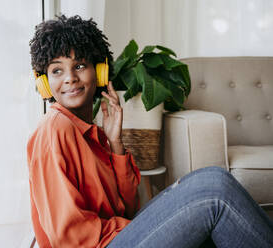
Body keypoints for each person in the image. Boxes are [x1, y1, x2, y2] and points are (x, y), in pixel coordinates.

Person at [27, 15, 273, 248]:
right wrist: (140, 225)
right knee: (214, 190)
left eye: (80, 65)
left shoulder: (95, 134)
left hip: (118, 237)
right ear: (44, 82)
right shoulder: (54, 129)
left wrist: (115, 144)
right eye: (57, 70)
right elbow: (69, 237)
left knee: (212, 188)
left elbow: (128, 206)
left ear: (100, 72)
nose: (70, 77)